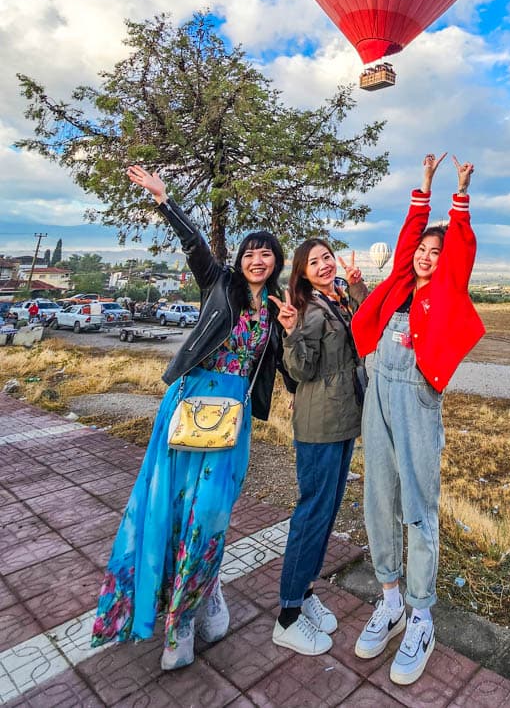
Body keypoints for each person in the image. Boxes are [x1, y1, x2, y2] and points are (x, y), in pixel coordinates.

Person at [91, 164, 295, 671]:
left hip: (233, 419)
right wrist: (165, 200)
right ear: (241, 259)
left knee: (209, 514)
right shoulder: (219, 284)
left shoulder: (277, 309)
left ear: (276, 263)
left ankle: (202, 596)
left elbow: (289, 378)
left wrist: (291, 334)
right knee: (171, 508)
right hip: (187, 404)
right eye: (250, 250)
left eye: (266, 252)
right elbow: (196, 245)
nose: (256, 258)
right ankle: (178, 626)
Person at [351, 153, 484, 686]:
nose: (427, 257)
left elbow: (461, 248)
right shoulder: (399, 287)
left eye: (436, 252)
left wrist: (458, 197)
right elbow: (406, 243)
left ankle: (422, 616)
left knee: (418, 506)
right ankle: (390, 600)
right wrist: (422, 187)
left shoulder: (447, 293)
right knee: (377, 496)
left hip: (417, 398)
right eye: (424, 252)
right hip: (378, 392)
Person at [272, 240, 368, 655]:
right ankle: (287, 616)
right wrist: (292, 332)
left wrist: (360, 289)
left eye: (327, 256)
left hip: (344, 419)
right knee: (312, 513)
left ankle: (306, 591)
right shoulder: (309, 310)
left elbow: (367, 332)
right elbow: (299, 368)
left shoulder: (340, 298)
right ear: (303, 272)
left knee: (326, 512)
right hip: (320, 424)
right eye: (314, 262)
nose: (325, 264)